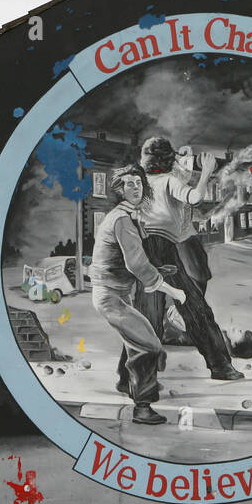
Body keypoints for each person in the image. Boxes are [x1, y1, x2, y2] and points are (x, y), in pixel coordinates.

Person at [133, 136, 243, 381]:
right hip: (163, 247)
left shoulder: (141, 182)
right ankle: (221, 366)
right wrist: (205, 173)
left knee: (145, 316)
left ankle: (136, 380)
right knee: (194, 308)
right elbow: (194, 198)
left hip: (145, 248)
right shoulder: (169, 180)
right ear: (167, 160)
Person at [91, 165, 186, 426]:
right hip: (110, 296)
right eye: (129, 184)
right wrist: (171, 290)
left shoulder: (132, 216)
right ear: (119, 190)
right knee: (149, 344)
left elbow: (137, 257)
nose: (135, 188)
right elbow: (137, 264)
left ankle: (125, 383)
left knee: (134, 336)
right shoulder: (121, 219)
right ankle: (142, 407)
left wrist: (161, 270)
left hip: (120, 293)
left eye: (138, 183)